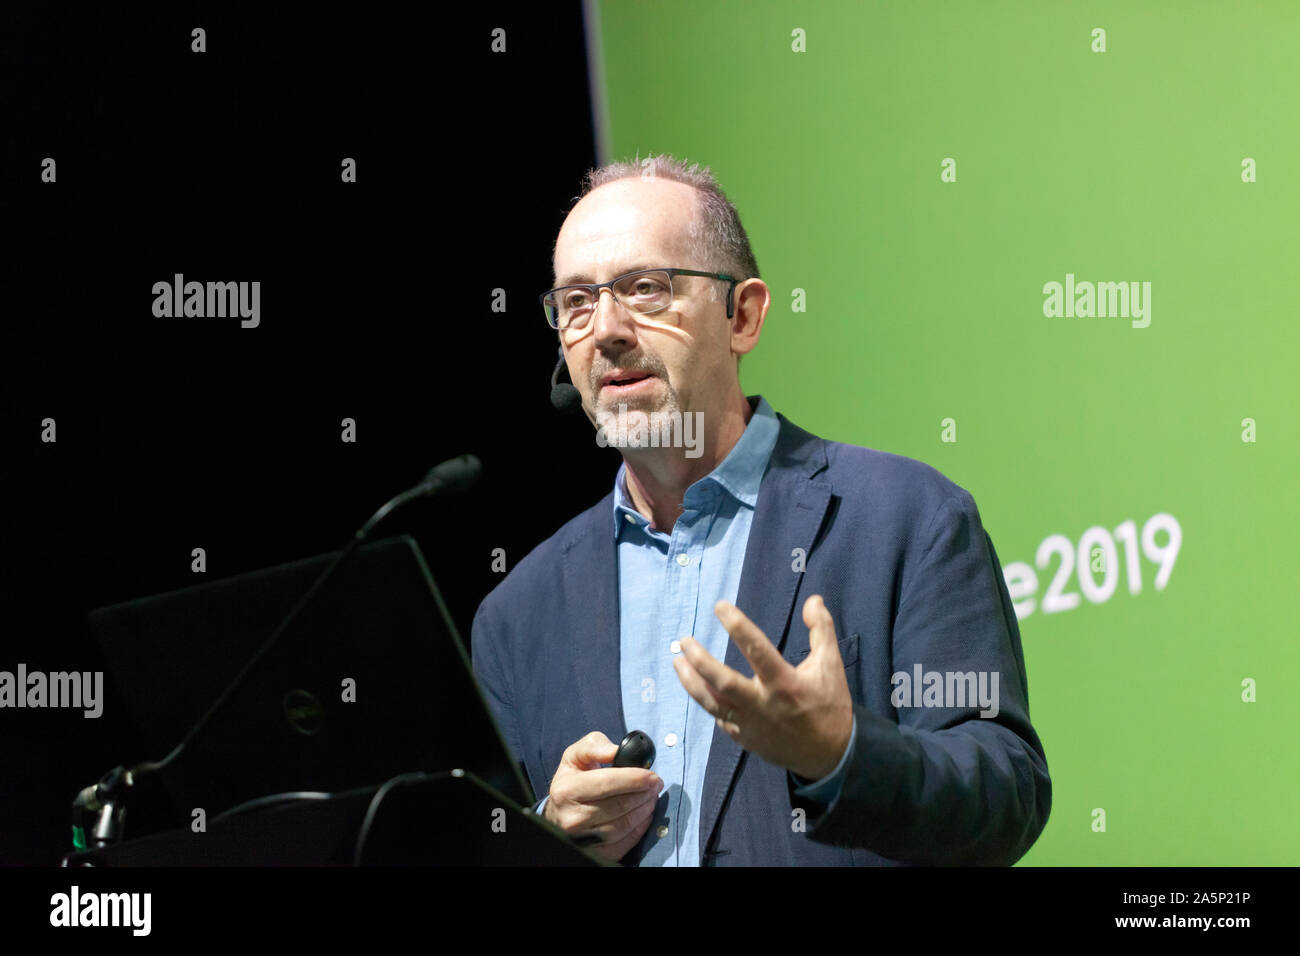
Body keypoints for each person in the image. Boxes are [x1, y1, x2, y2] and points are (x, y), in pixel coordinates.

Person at [470, 154, 1051, 866]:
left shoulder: (907, 520)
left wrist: (843, 753)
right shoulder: (516, 617)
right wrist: (544, 835)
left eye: (645, 288)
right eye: (577, 303)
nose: (606, 329)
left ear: (741, 315)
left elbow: (1005, 794)